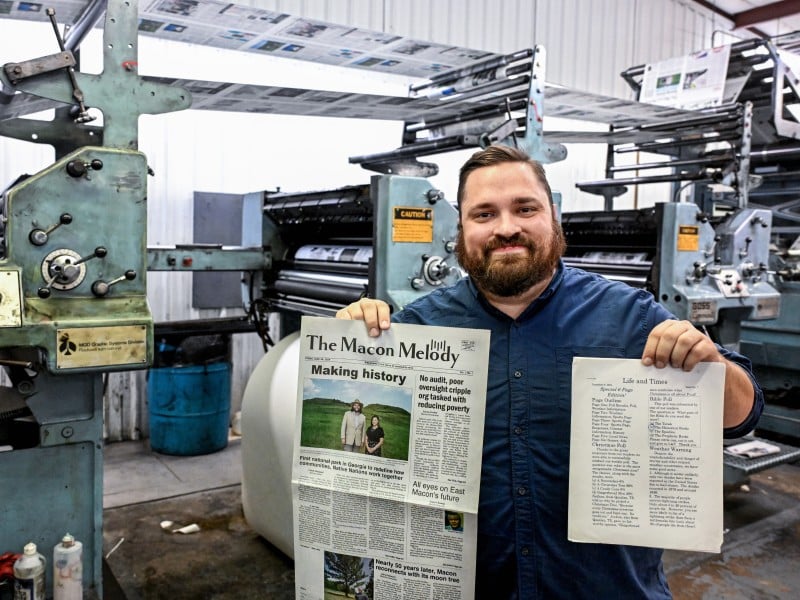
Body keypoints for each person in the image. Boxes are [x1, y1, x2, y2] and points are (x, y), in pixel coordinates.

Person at [336, 145, 764, 598]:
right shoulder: (418, 329)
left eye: (525, 208)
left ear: (553, 215)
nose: (506, 228)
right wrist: (351, 341)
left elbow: (742, 415)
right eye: (483, 214)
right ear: (459, 228)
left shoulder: (629, 317)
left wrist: (711, 364)